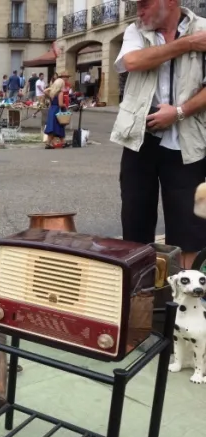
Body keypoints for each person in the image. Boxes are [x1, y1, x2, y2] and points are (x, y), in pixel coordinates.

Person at [112, 0, 206, 269]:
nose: (138, 11)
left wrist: (178, 112)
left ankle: (187, 301)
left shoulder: (203, 29)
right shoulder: (136, 31)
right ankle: (138, 297)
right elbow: (132, 61)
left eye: (144, 4)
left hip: (187, 141)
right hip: (139, 138)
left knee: (190, 227)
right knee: (135, 220)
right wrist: (187, 44)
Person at [44, 78, 66, 149]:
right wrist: (64, 105)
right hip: (57, 110)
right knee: (58, 126)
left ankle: (51, 142)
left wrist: (52, 87)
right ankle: (61, 142)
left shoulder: (52, 93)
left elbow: (45, 91)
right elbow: (60, 104)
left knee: (52, 126)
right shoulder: (60, 93)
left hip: (51, 109)